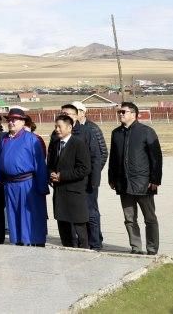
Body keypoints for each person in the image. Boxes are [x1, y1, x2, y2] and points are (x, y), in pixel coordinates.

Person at [108, 101, 162, 255]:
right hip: (123, 183)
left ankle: (152, 249)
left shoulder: (146, 131)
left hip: (143, 183)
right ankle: (136, 247)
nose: (120, 114)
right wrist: (112, 178)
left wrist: (155, 180)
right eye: (119, 111)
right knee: (129, 219)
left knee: (150, 218)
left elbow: (156, 158)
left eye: (123, 111)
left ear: (133, 114)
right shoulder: (116, 133)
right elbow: (113, 157)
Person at [0, 109, 48, 246]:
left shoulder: (31, 139)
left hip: (28, 184)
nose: (11, 122)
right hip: (9, 184)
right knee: (13, 213)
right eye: (9, 119)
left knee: (28, 214)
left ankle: (32, 240)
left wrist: (42, 187)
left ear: (23, 122)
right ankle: (17, 240)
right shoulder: (4, 139)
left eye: (14, 119)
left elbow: (40, 164)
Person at [62, 101, 107, 250]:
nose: (64, 116)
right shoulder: (60, 132)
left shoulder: (90, 130)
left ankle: (95, 242)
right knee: (74, 213)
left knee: (90, 212)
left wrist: (93, 177)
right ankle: (79, 241)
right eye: (62, 114)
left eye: (68, 114)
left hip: (87, 181)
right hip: (68, 182)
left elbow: (100, 154)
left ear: (79, 114)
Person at [47, 114, 90, 248]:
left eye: (59, 127)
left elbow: (84, 168)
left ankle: (84, 253)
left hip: (74, 193)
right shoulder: (55, 144)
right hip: (60, 193)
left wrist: (62, 176)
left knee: (80, 230)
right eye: (55, 127)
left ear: (69, 127)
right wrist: (51, 174)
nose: (57, 130)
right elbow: (50, 164)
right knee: (64, 229)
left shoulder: (78, 143)